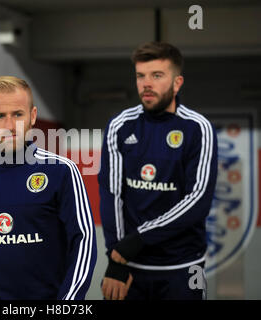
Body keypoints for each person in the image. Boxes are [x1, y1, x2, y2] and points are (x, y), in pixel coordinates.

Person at [0, 76, 97, 300]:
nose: (9, 126)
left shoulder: (61, 171)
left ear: (32, 116)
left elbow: (83, 241)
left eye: (18, 114)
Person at [98, 42, 218, 300]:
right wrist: (116, 258)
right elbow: (112, 195)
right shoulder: (120, 126)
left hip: (183, 268)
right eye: (140, 76)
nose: (146, 83)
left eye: (157, 75)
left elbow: (198, 201)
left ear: (177, 83)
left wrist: (140, 237)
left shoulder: (198, 128)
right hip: (131, 267)